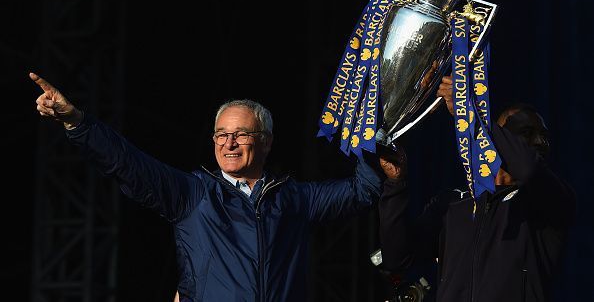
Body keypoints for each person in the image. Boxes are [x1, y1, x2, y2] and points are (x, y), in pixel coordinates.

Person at [30, 72, 384, 302]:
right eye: (221, 135)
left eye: (241, 134)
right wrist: (77, 122)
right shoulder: (194, 195)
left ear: (266, 141)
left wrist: (375, 128)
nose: (228, 143)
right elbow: (128, 164)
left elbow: (362, 191)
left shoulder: (295, 199)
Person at [378, 75, 576, 302]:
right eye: (527, 132)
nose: (541, 142)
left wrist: (467, 110)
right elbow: (397, 259)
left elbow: (528, 169)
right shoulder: (453, 203)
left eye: (545, 137)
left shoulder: (552, 200)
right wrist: (395, 184)